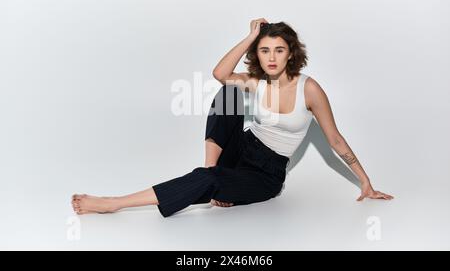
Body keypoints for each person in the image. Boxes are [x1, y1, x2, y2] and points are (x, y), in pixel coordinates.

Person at [72, 18, 393, 217]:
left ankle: (114, 203)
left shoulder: (310, 90)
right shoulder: (255, 82)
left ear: (291, 53)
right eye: (265, 50)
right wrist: (251, 35)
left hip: (266, 174)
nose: (271, 57)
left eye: (279, 50)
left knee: (209, 181)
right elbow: (220, 73)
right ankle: (214, 175)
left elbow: (334, 139)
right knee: (226, 93)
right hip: (241, 148)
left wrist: (365, 182)